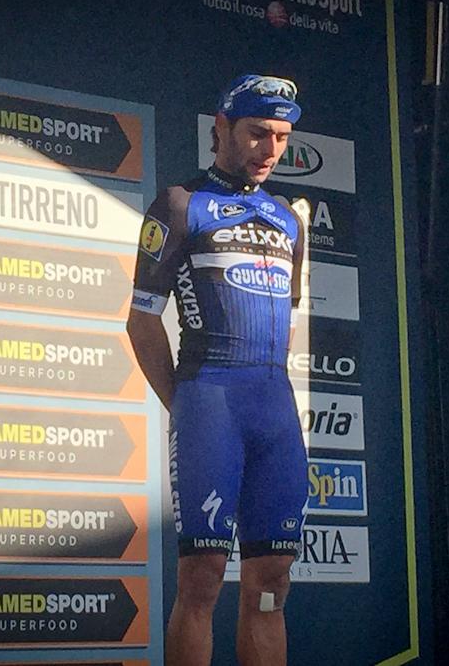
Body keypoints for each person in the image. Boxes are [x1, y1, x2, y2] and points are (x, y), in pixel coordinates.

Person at [127, 74, 307, 666]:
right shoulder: (181, 204)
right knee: (202, 578)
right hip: (211, 402)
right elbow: (141, 322)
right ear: (222, 127)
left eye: (281, 137)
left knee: (271, 584)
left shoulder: (289, 219)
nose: (270, 149)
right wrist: (186, 405)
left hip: (274, 408)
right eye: (257, 133)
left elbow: (287, 316)